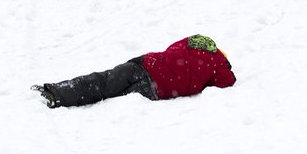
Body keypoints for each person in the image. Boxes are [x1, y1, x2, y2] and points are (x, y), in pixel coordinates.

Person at [33, 35, 236, 109]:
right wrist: (225, 68)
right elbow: (228, 81)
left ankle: (58, 92)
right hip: (156, 87)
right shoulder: (218, 65)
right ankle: (61, 99)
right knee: (110, 99)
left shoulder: (193, 41)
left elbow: (170, 50)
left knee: (103, 81)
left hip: (143, 64)